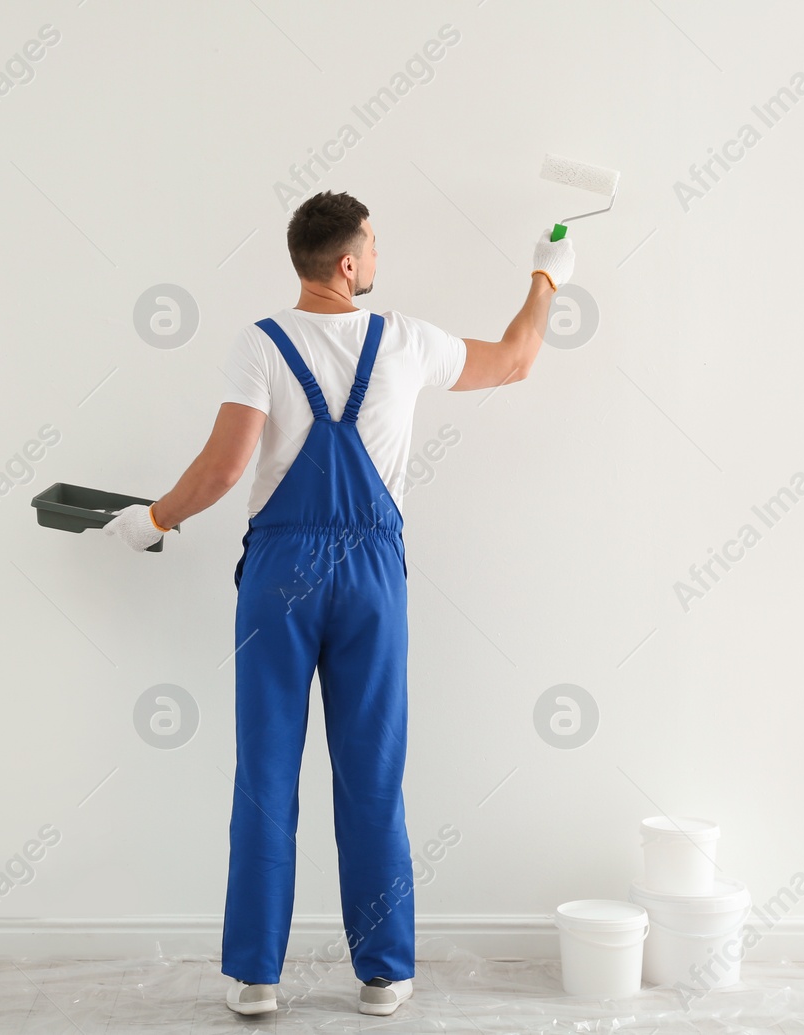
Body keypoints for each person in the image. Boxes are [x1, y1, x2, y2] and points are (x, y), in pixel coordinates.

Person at [103, 190, 574, 1016]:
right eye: (375, 248)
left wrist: (151, 520)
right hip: (370, 577)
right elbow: (516, 358)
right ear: (349, 263)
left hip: (279, 577)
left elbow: (220, 471)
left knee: (265, 775)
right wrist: (547, 275)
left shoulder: (259, 344)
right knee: (372, 776)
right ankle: (385, 972)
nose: (379, 260)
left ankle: (255, 975)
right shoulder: (408, 341)